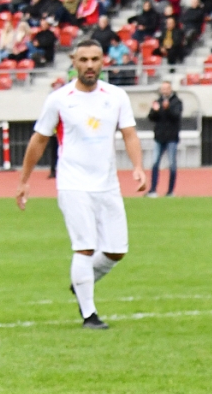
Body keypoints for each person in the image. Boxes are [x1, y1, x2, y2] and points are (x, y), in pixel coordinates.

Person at [14, 41, 146, 330]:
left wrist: (137, 167)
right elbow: (39, 139)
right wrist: (24, 181)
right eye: (83, 59)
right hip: (73, 183)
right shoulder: (60, 99)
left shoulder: (117, 96)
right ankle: (89, 315)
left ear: (103, 62)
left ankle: (81, 282)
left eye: (95, 59)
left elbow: (130, 135)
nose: (89, 65)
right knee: (84, 247)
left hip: (108, 184)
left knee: (116, 250)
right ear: (74, 61)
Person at [146, 80, 182, 197]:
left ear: (170, 89)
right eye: (163, 88)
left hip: (171, 137)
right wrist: (155, 111)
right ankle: (153, 190)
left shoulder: (177, 102)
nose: (165, 91)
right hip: (159, 137)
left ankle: (170, 191)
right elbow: (151, 117)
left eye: (167, 88)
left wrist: (168, 109)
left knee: (172, 165)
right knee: (155, 163)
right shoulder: (158, 102)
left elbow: (176, 116)